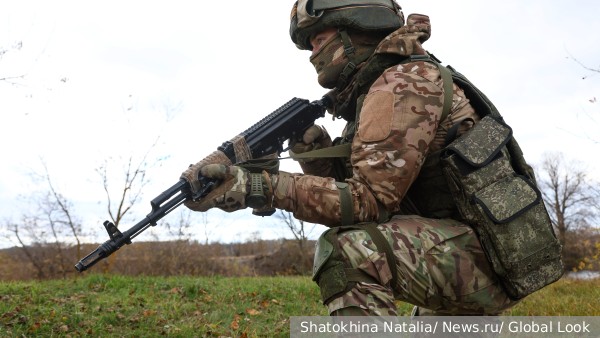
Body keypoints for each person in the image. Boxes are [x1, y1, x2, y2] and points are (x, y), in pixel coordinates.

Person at [181, 1, 525, 316]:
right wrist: (317, 159)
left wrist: (259, 186)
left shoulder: (403, 84)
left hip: (484, 258)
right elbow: (364, 194)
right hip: (463, 248)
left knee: (349, 253)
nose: (312, 52)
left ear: (356, 29)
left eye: (319, 38)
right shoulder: (378, 90)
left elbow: (370, 202)